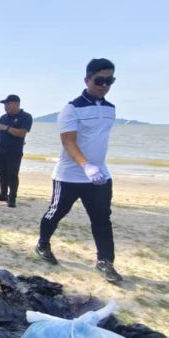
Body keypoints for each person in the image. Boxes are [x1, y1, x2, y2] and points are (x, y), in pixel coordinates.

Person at [36, 58, 123, 283]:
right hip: (69, 176)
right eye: (99, 80)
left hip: (99, 177)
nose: (104, 85)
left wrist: (96, 168)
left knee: (102, 218)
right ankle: (42, 244)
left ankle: (105, 262)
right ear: (87, 80)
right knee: (56, 213)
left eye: (109, 80)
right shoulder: (71, 109)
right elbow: (69, 142)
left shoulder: (110, 109)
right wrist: (86, 165)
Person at [0, 94, 33, 207]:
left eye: (8, 104)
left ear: (16, 104)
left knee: (12, 175)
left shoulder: (25, 116)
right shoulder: (3, 117)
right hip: (0, 150)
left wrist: (6, 128)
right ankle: (3, 194)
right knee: (2, 174)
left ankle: (12, 198)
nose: (5, 107)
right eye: (5, 105)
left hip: (14, 151)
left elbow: (22, 133)